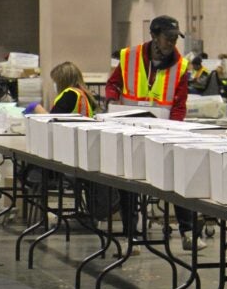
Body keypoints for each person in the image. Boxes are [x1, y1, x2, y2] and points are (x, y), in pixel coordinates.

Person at [105, 15, 205, 251]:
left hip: (164, 132)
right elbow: (113, 84)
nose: (172, 43)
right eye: (168, 38)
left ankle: (188, 232)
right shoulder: (129, 57)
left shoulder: (180, 65)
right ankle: (132, 235)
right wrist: (110, 101)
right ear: (154, 36)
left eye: (174, 39)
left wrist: (174, 129)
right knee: (127, 180)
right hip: (129, 129)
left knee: (178, 175)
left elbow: (179, 104)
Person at [27, 61, 97, 116]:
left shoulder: (69, 94)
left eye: (55, 81)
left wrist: (37, 107)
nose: (54, 84)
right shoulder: (83, 93)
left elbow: (53, 120)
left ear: (62, 81)